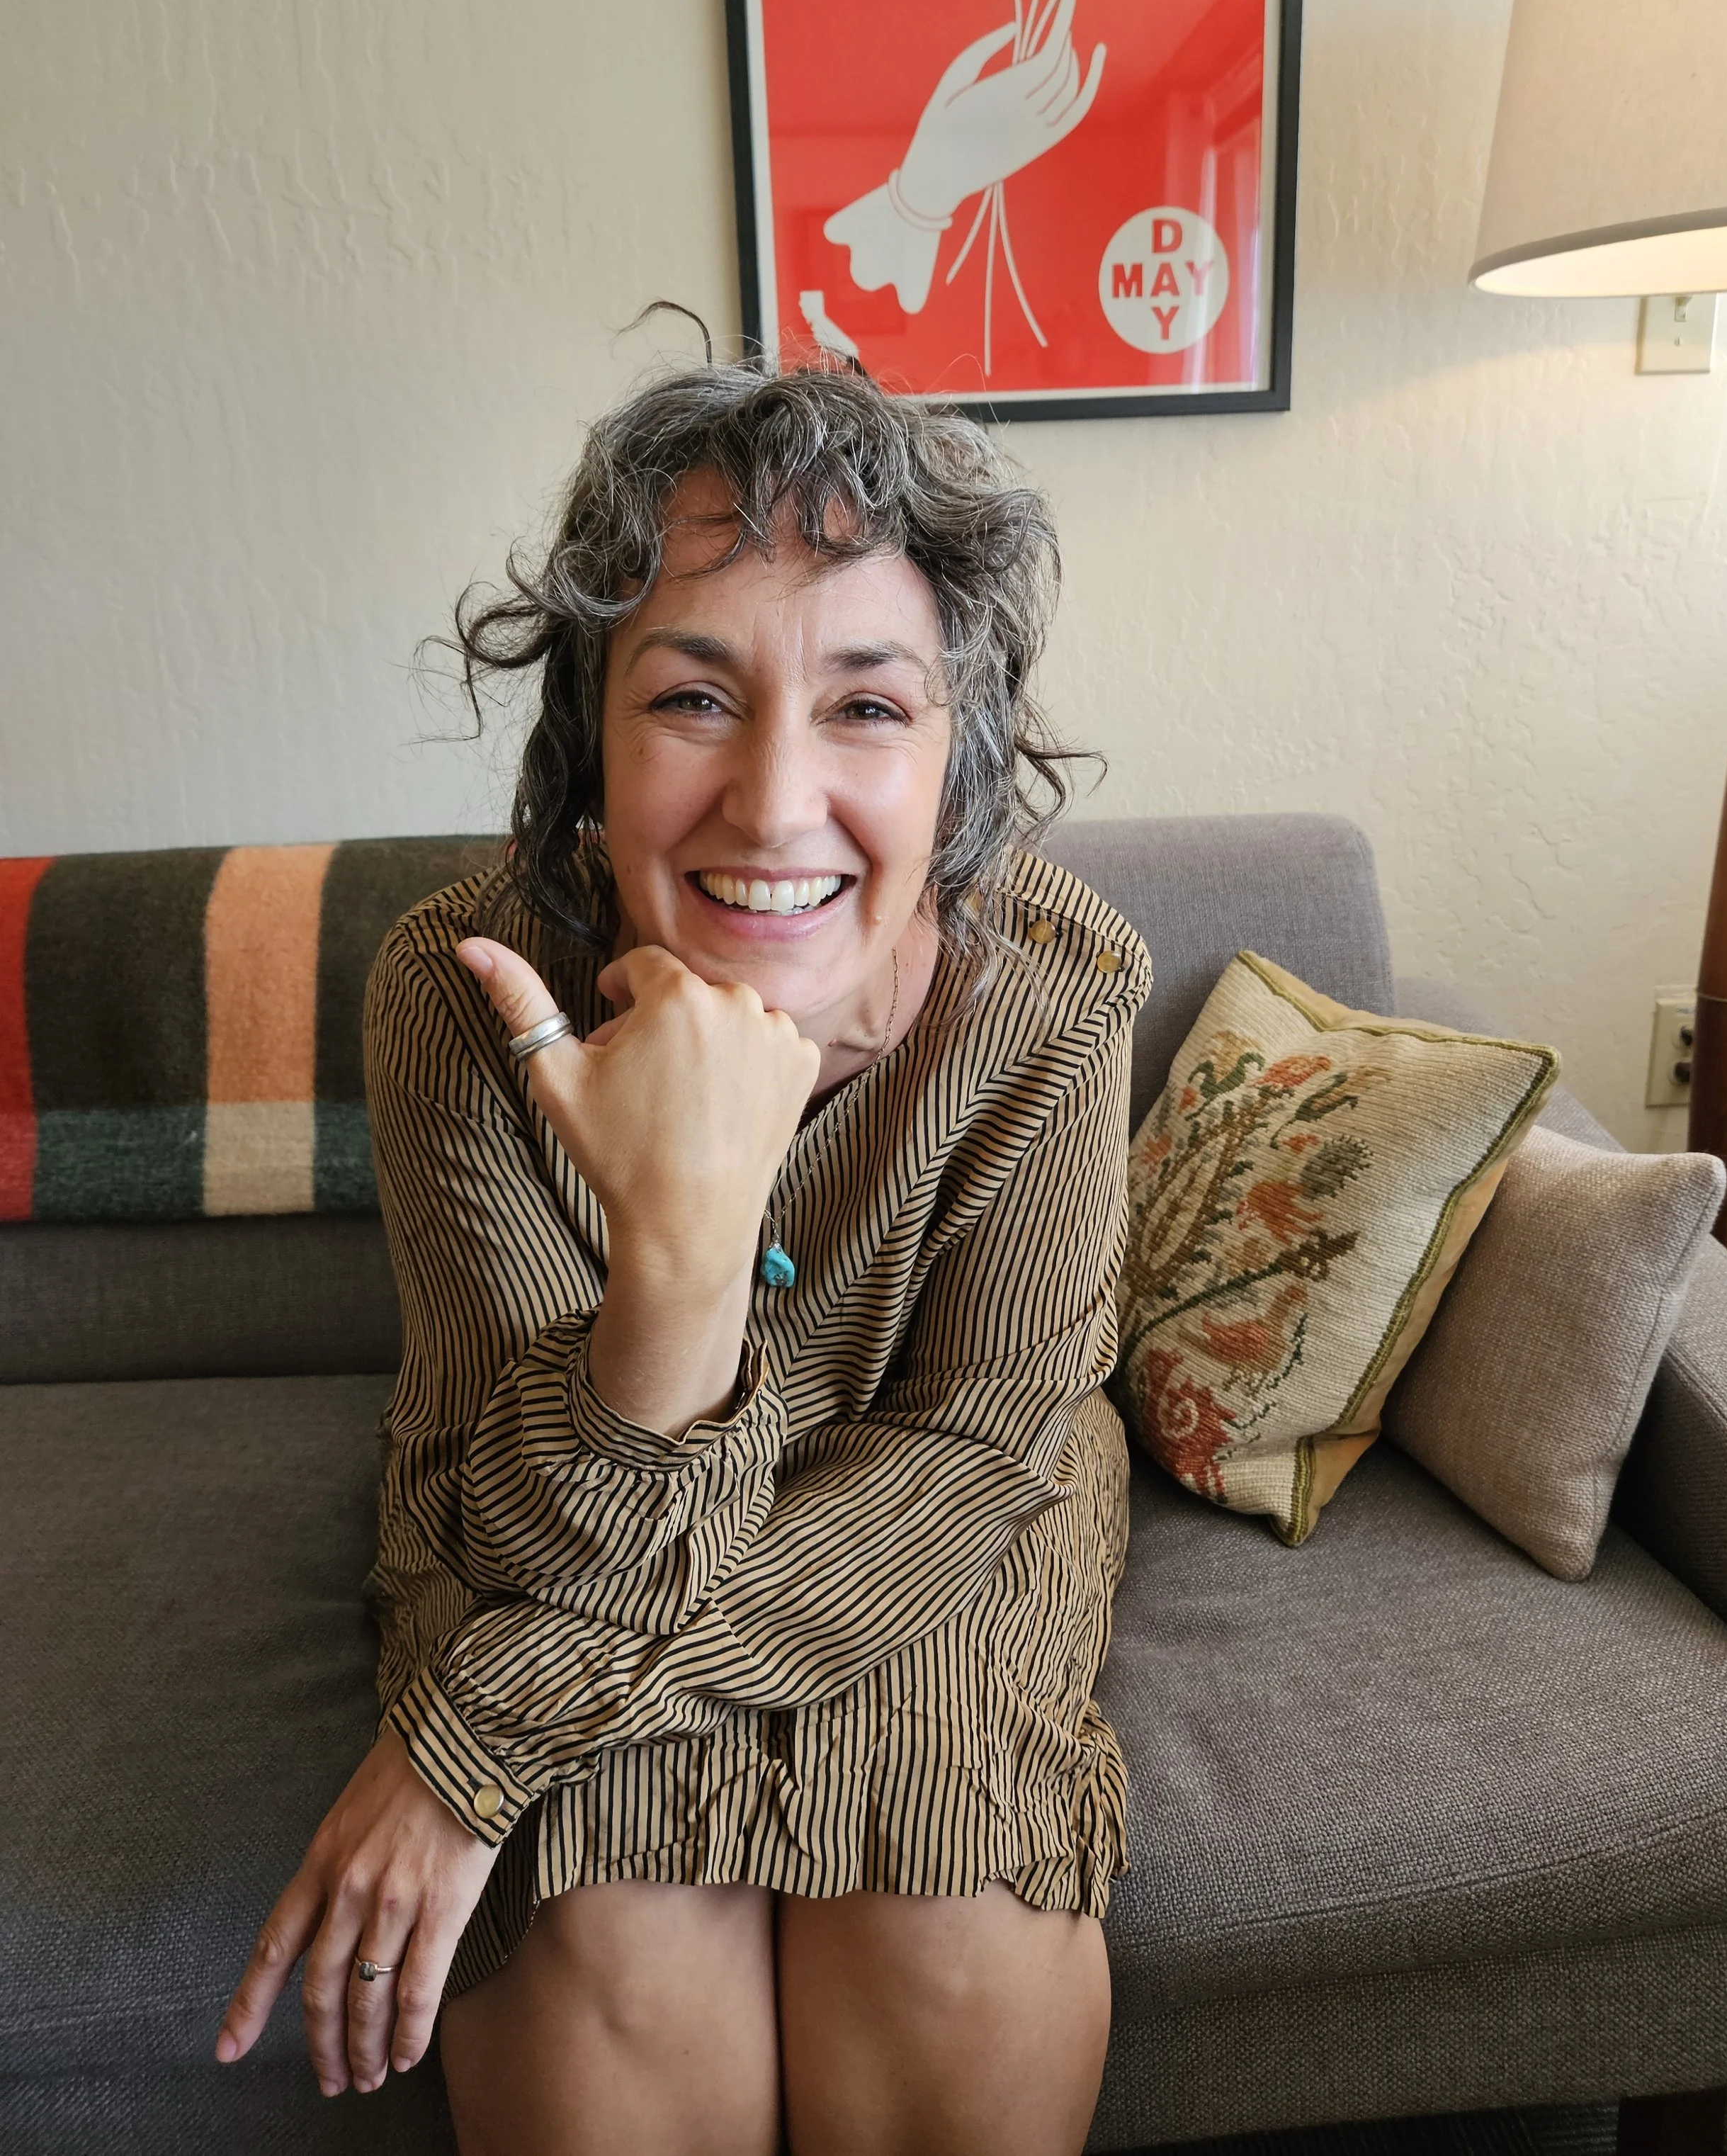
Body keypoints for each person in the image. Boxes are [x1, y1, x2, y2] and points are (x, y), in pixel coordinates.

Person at [216, 359, 1151, 2156]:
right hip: (548, 1500)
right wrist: (684, 1250)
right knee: (608, 1908)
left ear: (956, 744)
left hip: (922, 1491)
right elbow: (531, 1531)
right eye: (694, 696)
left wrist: (478, 1728)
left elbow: (966, 1458)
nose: (776, 801)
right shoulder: (454, 986)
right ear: (588, 728)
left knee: (940, 1892)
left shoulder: (1056, 988)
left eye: (865, 706)